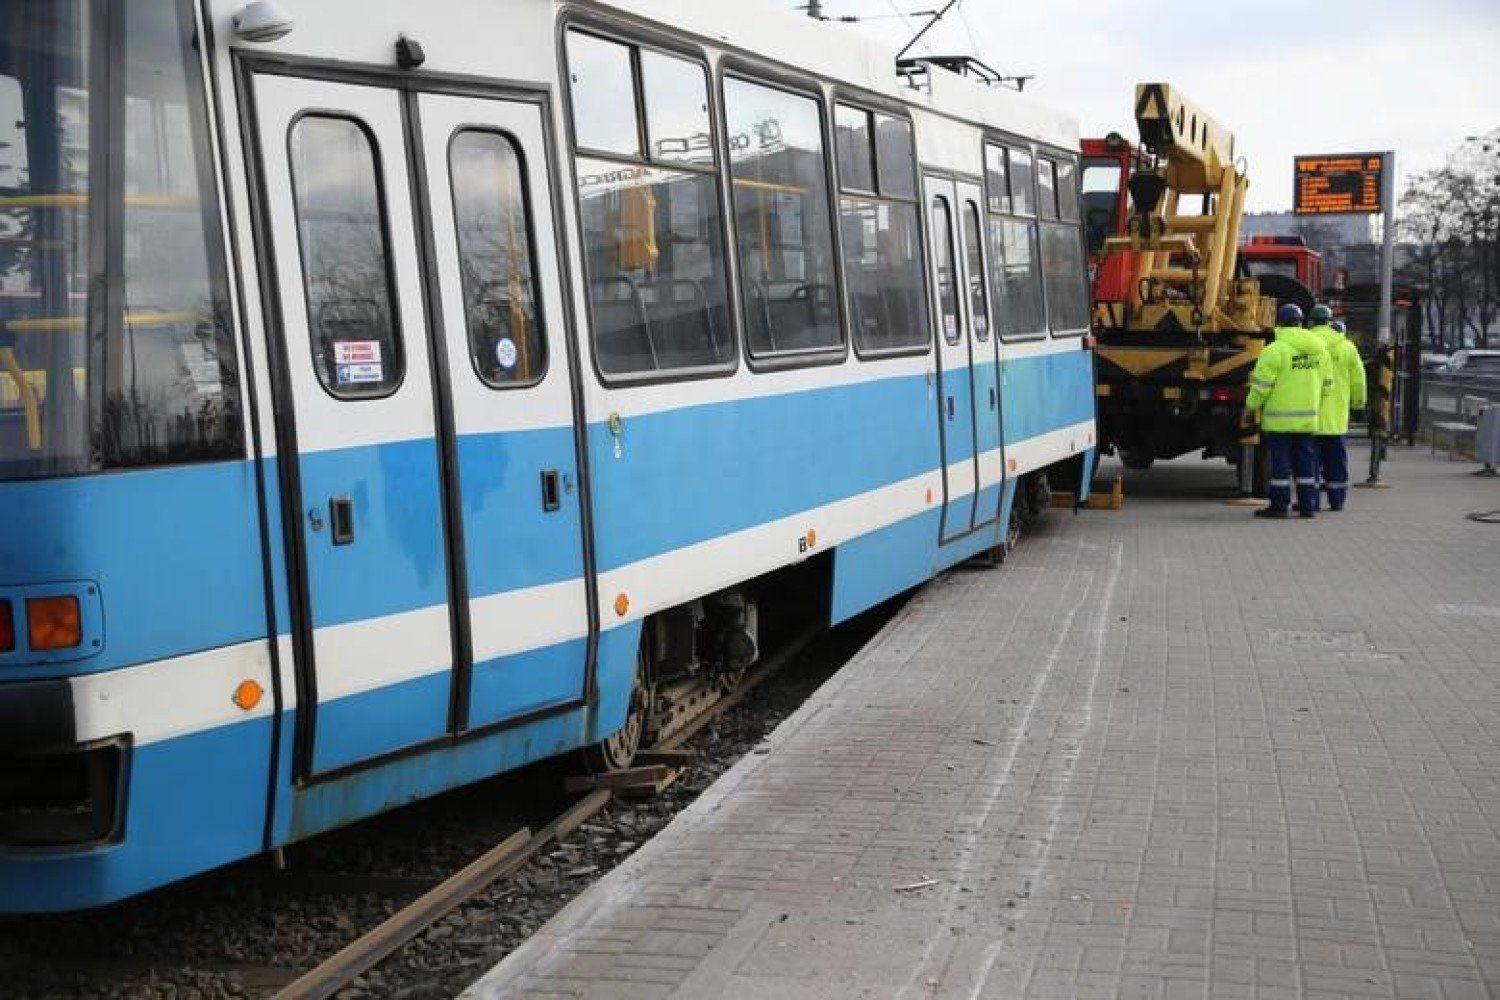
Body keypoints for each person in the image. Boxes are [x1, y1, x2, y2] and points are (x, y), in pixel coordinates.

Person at [1244, 302, 1332, 518]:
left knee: (1281, 466)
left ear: (1279, 324)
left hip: (1280, 421)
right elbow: (1328, 385)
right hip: (1308, 420)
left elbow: (1262, 386)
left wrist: (1250, 406)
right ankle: (1307, 506)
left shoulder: (1274, 350)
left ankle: (1279, 506)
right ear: (1301, 323)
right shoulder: (1319, 349)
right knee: (1306, 464)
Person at [1308, 312, 1367, 510]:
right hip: (1337, 417)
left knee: (1311, 462)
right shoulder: (1347, 347)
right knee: (1336, 461)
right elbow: (1359, 380)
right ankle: (1337, 500)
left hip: (1310, 417)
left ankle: (1311, 501)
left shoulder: (1305, 345)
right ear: (1330, 322)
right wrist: (1358, 404)